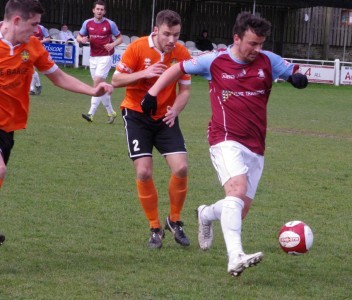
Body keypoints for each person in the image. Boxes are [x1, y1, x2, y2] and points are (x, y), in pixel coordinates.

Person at [145, 12, 308, 274]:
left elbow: (293, 73)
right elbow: (178, 68)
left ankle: (206, 214)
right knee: (236, 191)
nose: (257, 49)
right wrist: (153, 93)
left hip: (256, 145)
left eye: (261, 44)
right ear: (237, 38)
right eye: (252, 43)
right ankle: (236, 257)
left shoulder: (268, 61)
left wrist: (297, 79)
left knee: (238, 209)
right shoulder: (215, 61)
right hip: (224, 138)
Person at [0, 0, 114, 245]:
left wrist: (91, 91)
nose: (37, 30)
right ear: (17, 20)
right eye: (34, 24)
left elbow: (59, 77)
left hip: (8, 127)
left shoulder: (33, 47)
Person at [111, 10, 192, 249]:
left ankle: (174, 220)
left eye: (176, 35)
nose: (171, 40)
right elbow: (115, 80)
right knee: (144, 172)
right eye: (167, 34)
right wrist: (145, 73)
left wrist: (175, 110)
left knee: (182, 167)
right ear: (156, 30)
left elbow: (185, 91)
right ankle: (155, 227)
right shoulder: (136, 48)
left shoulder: (181, 54)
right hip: (136, 116)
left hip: (166, 117)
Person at [76, 0, 123, 124]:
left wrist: (112, 44)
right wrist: (83, 39)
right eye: (97, 9)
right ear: (93, 10)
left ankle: (90, 114)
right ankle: (111, 112)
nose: (99, 11)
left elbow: (120, 38)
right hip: (93, 57)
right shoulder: (87, 23)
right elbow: (78, 37)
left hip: (106, 57)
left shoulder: (110, 24)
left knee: (96, 85)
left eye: (102, 9)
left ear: (104, 11)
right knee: (99, 88)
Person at [29, 24, 50, 95]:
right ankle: (37, 86)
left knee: (31, 69)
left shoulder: (41, 28)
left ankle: (32, 89)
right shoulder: (26, 26)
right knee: (31, 69)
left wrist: (38, 42)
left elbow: (48, 38)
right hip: (27, 50)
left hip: (37, 50)